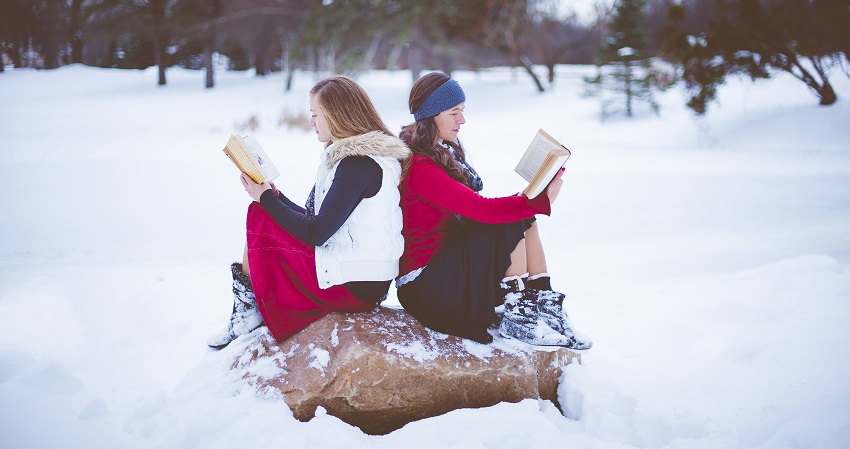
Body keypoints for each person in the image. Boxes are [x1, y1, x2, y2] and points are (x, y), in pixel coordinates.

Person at [207, 75, 410, 349]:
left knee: (260, 215)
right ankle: (250, 309)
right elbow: (320, 222)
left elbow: (317, 232)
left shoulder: (357, 164)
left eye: (316, 114)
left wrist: (266, 199)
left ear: (337, 115)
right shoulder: (356, 159)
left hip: (357, 282)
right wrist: (273, 196)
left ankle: (248, 311)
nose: (311, 121)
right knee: (263, 210)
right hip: (363, 275)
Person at [395, 72, 592, 349]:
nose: (462, 120)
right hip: (427, 285)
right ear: (432, 115)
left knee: (522, 218)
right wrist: (536, 199)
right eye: (454, 113)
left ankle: (543, 306)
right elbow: (479, 210)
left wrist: (528, 200)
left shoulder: (437, 151)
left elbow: (476, 211)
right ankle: (518, 316)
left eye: (462, 112)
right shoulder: (419, 164)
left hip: (445, 268)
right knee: (510, 220)